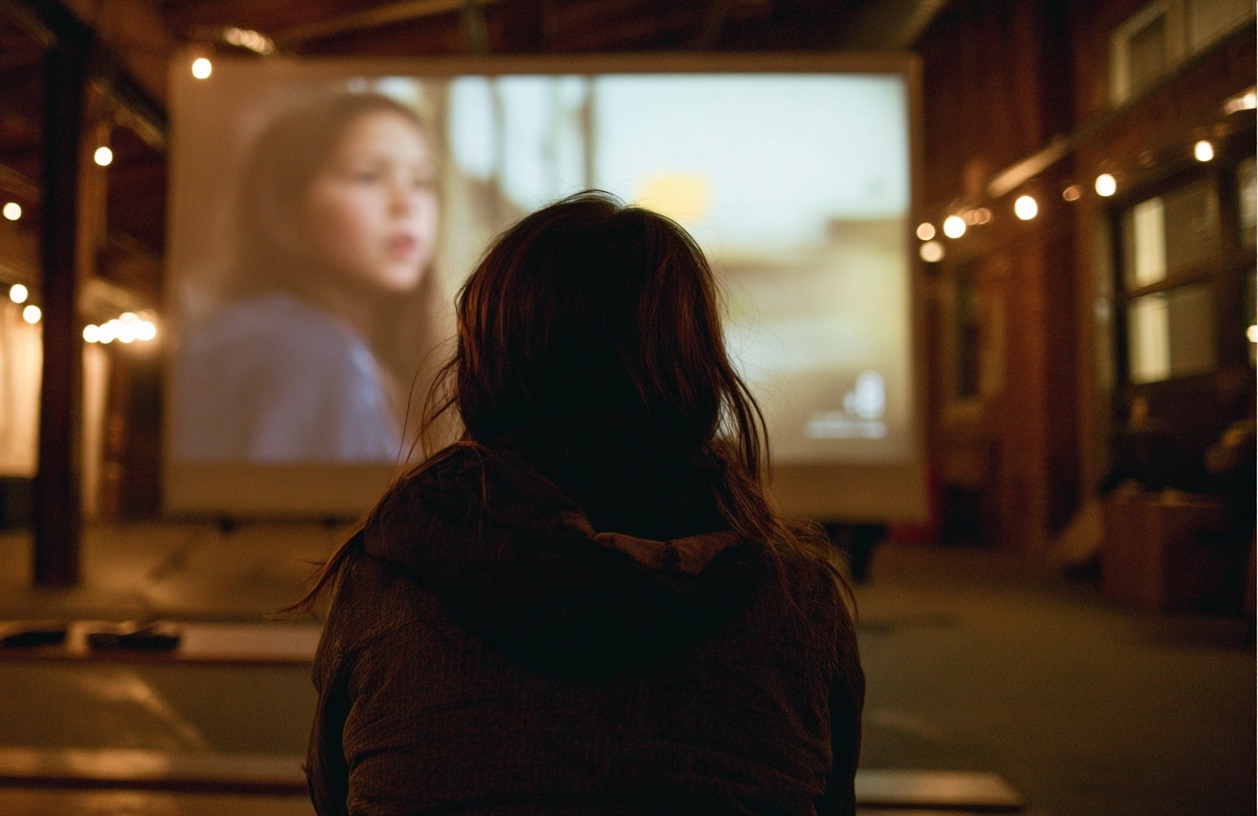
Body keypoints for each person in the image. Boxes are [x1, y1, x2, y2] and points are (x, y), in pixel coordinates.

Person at [290, 191, 864, 815]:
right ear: (696, 364)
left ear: (486, 362)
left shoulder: (388, 579)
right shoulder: (798, 600)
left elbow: (333, 794)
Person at [174, 91, 441, 463]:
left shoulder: (314, 345)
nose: (407, 204)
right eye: (367, 176)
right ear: (286, 213)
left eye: (421, 181)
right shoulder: (303, 352)